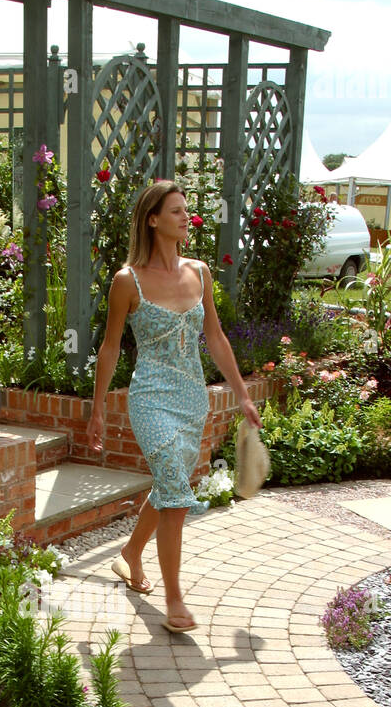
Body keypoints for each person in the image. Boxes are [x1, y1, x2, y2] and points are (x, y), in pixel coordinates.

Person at [85, 179, 262, 633]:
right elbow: (109, 348)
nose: (187, 217)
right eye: (177, 211)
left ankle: (129, 553)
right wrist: (98, 408)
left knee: (171, 488)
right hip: (150, 399)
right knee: (176, 495)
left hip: (192, 399)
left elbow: (216, 338)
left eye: (187, 210)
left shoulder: (199, 272)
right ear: (152, 219)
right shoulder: (128, 281)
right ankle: (175, 599)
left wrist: (242, 394)